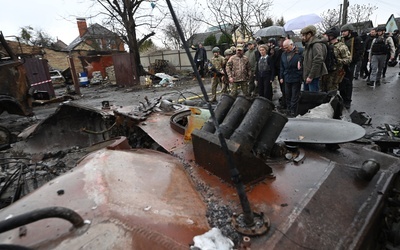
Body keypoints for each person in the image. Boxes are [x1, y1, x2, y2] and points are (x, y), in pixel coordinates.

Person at [320, 27, 352, 92]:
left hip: (335, 73)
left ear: (332, 36)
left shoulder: (341, 46)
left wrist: (337, 60)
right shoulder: (326, 45)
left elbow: (348, 59)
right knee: (323, 90)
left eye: (327, 35)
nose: (325, 37)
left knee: (332, 91)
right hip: (326, 72)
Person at [340, 24, 363, 109]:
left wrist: (352, 61)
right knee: (341, 81)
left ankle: (348, 101)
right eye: (342, 31)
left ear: (349, 31)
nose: (343, 33)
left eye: (344, 31)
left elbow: (359, 52)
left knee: (348, 82)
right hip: (342, 63)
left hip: (350, 63)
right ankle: (342, 98)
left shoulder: (356, 39)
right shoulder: (342, 39)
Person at [300, 25, 328, 92]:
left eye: (304, 35)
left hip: (313, 77)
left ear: (309, 34)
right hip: (307, 76)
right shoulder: (308, 45)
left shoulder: (316, 45)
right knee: (307, 97)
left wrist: (310, 76)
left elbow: (318, 60)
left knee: (313, 98)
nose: (302, 37)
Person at [279, 39, 303, 116]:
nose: (285, 49)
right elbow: (282, 66)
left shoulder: (299, 52)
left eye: (286, 47)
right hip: (287, 77)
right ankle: (289, 109)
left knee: (294, 95)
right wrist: (281, 76)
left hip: (296, 76)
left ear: (291, 45)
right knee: (287, 94)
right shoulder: (283, 54)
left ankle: (293, 110)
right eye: (284, 48)